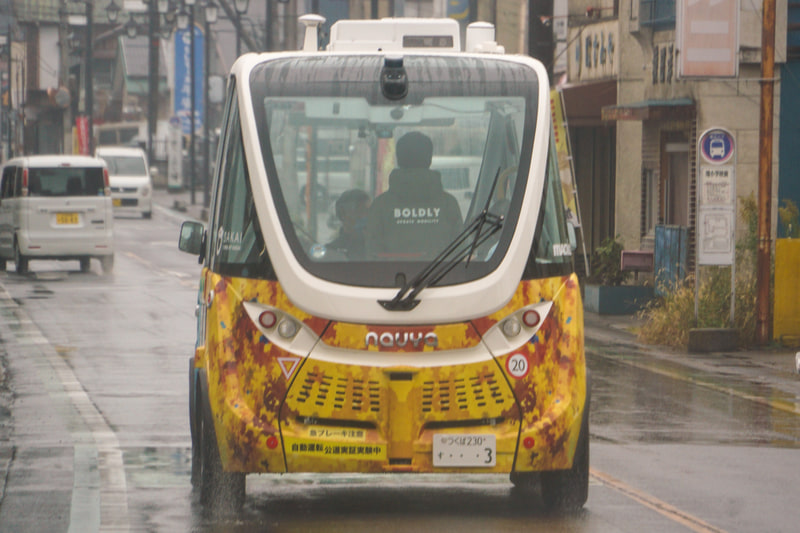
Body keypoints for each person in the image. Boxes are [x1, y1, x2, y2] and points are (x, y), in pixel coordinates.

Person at [365, 132, 462, 259]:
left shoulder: (380, 206)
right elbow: (460, 254)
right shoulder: (448, 204)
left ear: (398, 159)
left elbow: (372, 255)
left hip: (390, 273)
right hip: (442, 273)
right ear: (429, 159)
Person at [328, 188, 371, 259]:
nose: (365, 216)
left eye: (369, 211)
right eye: (360, 211)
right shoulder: (332, 252)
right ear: (343, 214)